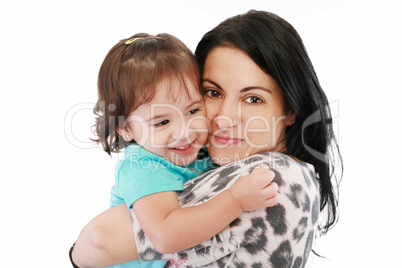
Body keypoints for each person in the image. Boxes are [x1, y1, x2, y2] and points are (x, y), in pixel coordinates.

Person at [71, 10, 342, 267]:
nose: (224, 118)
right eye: (213, 93)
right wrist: (235, 199)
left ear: (291, 110)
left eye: (253, 99)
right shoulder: (152, 164)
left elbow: (99, 240)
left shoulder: (276, 178)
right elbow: (113, 238)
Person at [70, 32, 279, 268]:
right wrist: (236, 199)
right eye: (161, 122)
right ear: (125, 129)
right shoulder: (142, 167)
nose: (185, 132)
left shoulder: (197, 152)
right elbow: (166, 236)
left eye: (192, 111)